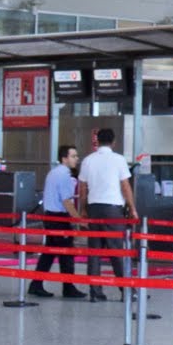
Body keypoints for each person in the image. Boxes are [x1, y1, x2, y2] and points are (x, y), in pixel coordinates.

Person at [77, 128, 133, 302]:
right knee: (116, 250)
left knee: (94, 251)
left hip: (94, 208)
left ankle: (95, 291)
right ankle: (126, 291)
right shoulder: (119, 160)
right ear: (113, 142)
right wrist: (133, 207)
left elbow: (82, 188)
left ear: (97, 141)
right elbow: (125, 186)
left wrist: (83, 209)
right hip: (112, 210)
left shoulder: (88, 160)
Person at [29, 144, 85, 299]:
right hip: (59, 218)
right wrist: (78, 220)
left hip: (49, 216)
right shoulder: (64, 175)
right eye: (73, 156)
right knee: (66, 254)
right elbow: (67, 201)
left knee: (49, 253)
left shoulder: (53, 173)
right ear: (64, 158)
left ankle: (36, 284)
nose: (76, 159)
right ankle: (68, 287)